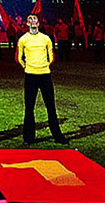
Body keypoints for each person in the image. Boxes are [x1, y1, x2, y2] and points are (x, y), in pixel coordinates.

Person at [17, 13, 68, 144]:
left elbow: (51, 56)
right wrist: (27, 67)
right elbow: (18, 57)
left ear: (38, 23)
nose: (33, 21)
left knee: (51, 106)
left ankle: (58, 136)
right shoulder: (23, 39)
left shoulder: (46, 38)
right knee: (29, 107)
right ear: (27, 24)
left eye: (35, 19)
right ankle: (28, 138)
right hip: (30, 75)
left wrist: (44, 66)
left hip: (45, 75)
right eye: (31, 20)